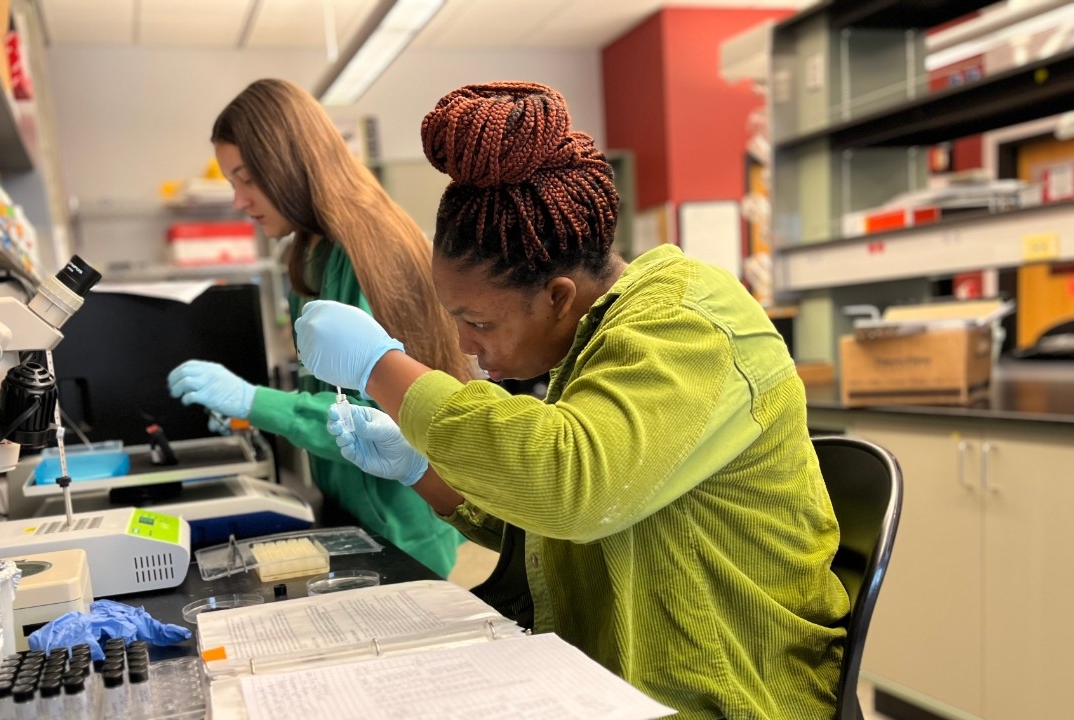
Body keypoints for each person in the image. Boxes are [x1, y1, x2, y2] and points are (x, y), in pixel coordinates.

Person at [293, 82, 851, 720]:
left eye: (477, 322)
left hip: (730, 693)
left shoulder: (687, 321)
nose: (465, 346)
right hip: (608, 679)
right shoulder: (596, 339)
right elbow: (545, 524)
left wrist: (382, 369)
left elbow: (572, 486)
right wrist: (423, 471)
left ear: (558, 296)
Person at [167, 79, 472, 577]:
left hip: (400, 518)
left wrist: (253, 402)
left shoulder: (365, 246)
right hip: (353, 505)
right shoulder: (310, 249)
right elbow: (328, 388)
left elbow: (372, 414)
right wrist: (254, 415)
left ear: (288, 163)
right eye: (232, 182)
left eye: (247, 178)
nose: (239, 200)